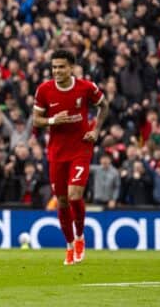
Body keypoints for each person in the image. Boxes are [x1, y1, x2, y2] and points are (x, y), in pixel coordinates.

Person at [33, 49, 109, 265]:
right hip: (57, 152)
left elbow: (104, 106)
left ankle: (79, 237)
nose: (57, 71)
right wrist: (51, 121)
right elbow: (36, 120)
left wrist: (96, 130)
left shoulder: (86, 87)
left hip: (81, 148)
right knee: (62, 201)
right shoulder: (44, 90)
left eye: (61, 67)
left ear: (71, 67)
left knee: (75, 195)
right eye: (54, 67)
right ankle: (68, 246)